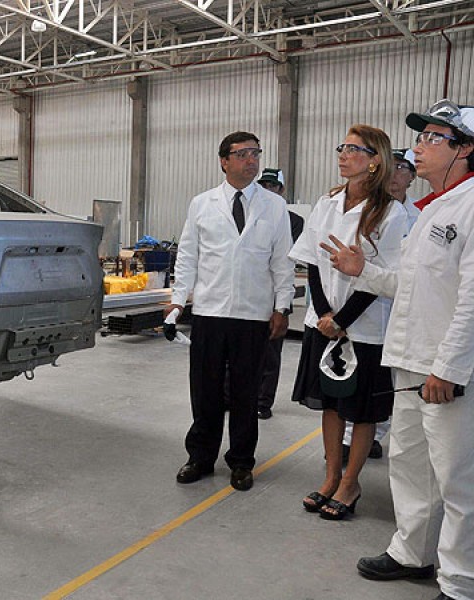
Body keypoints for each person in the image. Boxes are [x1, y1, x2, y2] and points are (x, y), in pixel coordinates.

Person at [323, 99, 474, 600]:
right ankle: (413, 553)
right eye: (421, 136)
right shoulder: (431, 211)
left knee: (456, 479)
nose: (419, 146)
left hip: (445, 370)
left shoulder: (471, 207)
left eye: (434, 138)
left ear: (465, 149)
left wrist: (449, 367)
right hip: (410, 361)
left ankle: (460, 581)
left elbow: (472, 300)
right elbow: (410, 286)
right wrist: (361, 271)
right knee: (410, 466)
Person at [290, 124, 408, 520]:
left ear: (375, 161)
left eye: (354, 149)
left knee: (362, 411)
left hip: (365, 327)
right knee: (331, 405)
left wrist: (342, 320)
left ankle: (350, 483)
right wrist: (325, 314)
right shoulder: (328, 202)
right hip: (323, 321)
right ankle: (330, 476)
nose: (343, 154)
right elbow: (312, 260)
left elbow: (383, 275)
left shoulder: (390, 212)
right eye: (342, 147)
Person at [166, 131, 294, 491]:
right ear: (224, 161)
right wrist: (178, 299)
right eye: (242, 154)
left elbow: (282, 260)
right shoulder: (202, 204)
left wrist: (282, 306)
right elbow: (188, 256)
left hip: (253, 315)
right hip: (210, 311)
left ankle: (241, 461)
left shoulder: (274, 206)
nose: (251, 160)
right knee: (205, 390)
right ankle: (200, 457)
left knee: (245, 392)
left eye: (255, 153)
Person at [341, 147, 418, 460]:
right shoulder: (365, 209)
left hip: (402, 312)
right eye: (391, 165)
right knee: (358, 378)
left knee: (393, 381)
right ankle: (353, 438)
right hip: (363, 310)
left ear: (412, 177)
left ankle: (379, 433)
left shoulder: (420, 217)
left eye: (403, 168)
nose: (395, 173)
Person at [256, 167, 304, 419]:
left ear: (281, 190)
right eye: (263, 185)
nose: (267, 190)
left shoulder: (294, 221)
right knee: (239, 351)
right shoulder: (250, 215)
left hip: (276, 294)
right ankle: (231, 397)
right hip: (250, 294)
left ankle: (263, 402)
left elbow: (285, 258)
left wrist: (282, 307)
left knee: (270, 353)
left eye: (272, 186)